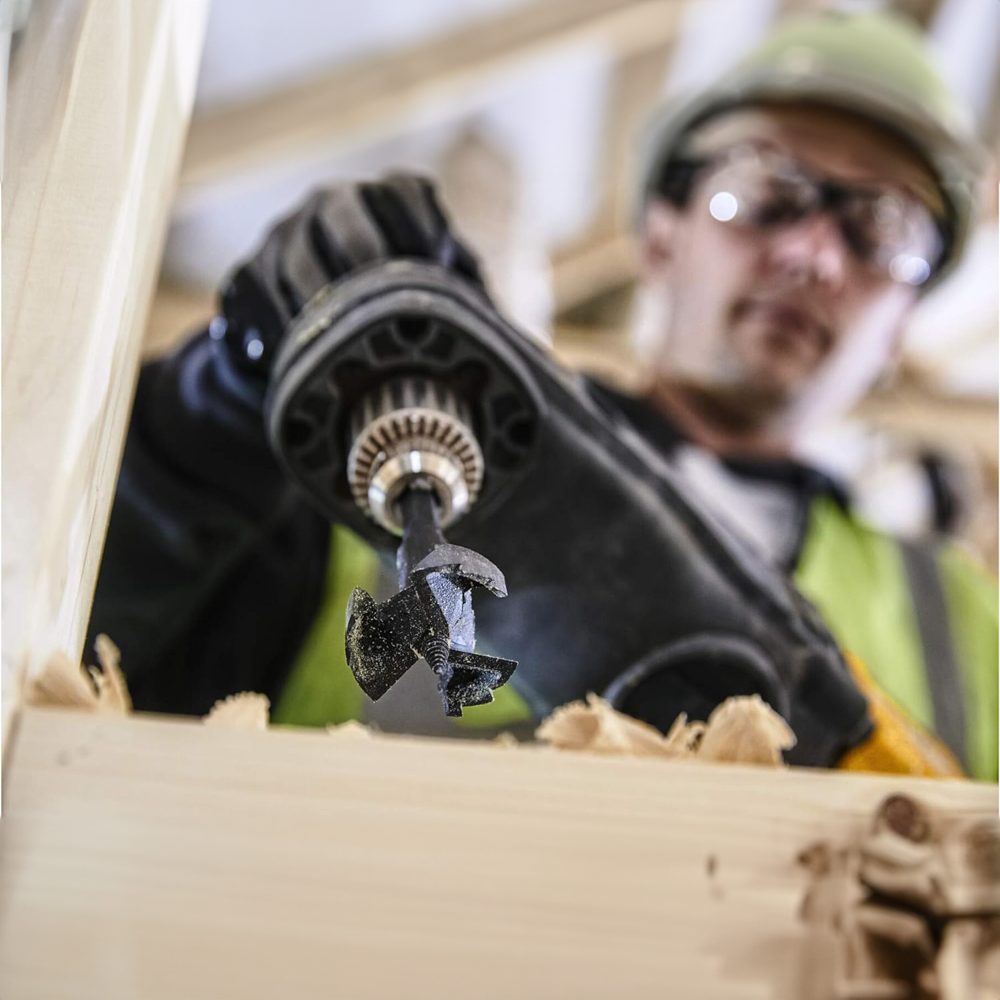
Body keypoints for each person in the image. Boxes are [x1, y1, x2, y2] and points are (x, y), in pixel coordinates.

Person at [87, 10, 996, 778]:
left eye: (881, 229)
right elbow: (86, 656)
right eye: (765, 191)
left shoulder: (965, 625)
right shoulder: (384, 455)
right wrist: (215, 407)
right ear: (660, 237)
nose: (813, 254)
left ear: (902, 325)